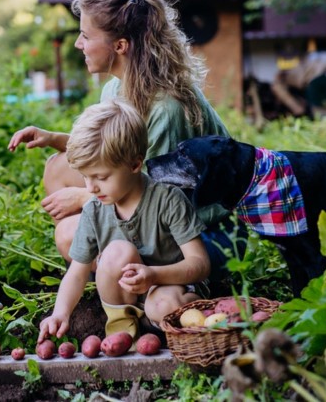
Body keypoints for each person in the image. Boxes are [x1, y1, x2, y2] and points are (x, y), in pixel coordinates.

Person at [8, 0, 240, 291]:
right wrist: (53, 138)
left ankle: (144, 279)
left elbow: (159, 193)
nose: (78, 44)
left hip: (206, 235)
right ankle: (113, 268)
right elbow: (111, 152)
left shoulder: (165, 107)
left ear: (119, 46)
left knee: (69, 234)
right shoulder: (115, 88)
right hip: (152, 207)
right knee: (58, 166)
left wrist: (84, 197)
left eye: (85, 35)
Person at [38, 99, 210, 342]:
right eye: (85, 177)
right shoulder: (94, 209)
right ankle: (123, 329)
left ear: (135, 164)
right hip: (127, 296)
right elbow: (77, 273)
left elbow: (200, 264)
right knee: (116, 252)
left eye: (101, 177)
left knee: (163, 306)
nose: (91, 187)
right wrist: (60, 313)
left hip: (169, 287)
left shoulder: (168, 200)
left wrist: (153, 275)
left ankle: (172, 323)